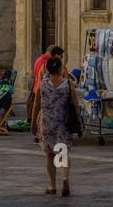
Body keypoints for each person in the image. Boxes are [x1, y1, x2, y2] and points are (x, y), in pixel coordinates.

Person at [32, 55, 80, 196]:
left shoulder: (42, 84)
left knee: (49, 154)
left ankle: (52, 185)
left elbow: (36, 105)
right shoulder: (68, 84)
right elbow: (75, 104)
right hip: (63, 123)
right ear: (60, 68)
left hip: (47, 123)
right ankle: (65, 179)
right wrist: (78, 121)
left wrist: (33, 123)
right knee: (62, 152)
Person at [28, 45, 63, 137]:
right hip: (45, 90)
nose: (61, 58)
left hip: (38, 88)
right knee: (43, 112)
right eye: (61, 56)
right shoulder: (46, 63)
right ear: (55, 55)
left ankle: (39, 133)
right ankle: (41, 133)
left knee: (40, 112)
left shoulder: (39, 59)